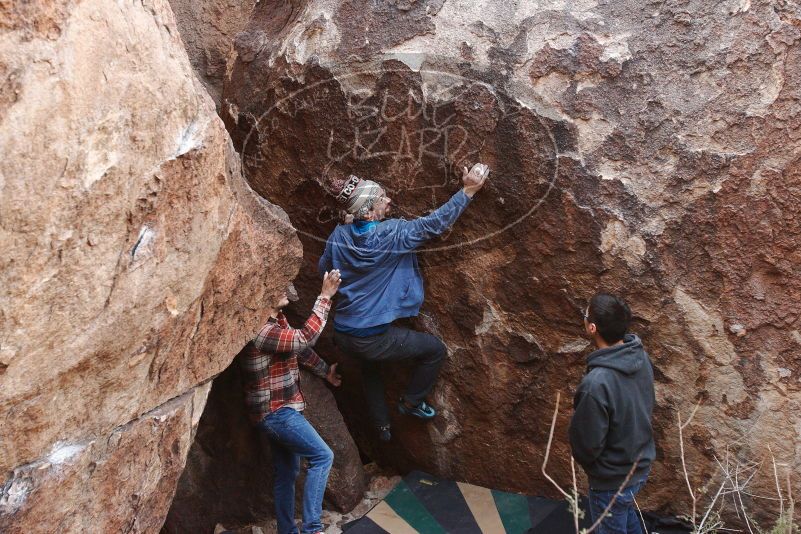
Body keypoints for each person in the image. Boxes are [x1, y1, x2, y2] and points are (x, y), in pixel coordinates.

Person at [319, 164, 490, 441]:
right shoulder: (393, 234)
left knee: (370, 365)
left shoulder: (339, 236)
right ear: (370, 211)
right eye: (382, 199)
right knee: (434, 350)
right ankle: (411, 402)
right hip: (368, 337)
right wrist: (468, 189)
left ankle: (382, 428)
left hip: (343, 332)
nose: (389, 200)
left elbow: (323, 269)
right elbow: (434, 224)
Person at [240, 272, 343, 534]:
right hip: (277, 413)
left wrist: (325, 372)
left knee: (286, 473)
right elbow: (303, 339)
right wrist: (324, 297)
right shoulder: (261, 331)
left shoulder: (278, 321)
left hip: (278, 412)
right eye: (280, 288)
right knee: (322, 456)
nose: (288, 292)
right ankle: (313, 529)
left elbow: (299, 350)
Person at [569, 293, 656, 534]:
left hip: (611, 480)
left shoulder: (596, 384)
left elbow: (587, 446)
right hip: (638, 467)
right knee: (625, 513)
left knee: (614, 519)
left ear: (592, 328)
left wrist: (598, 470)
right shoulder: (639, 355)